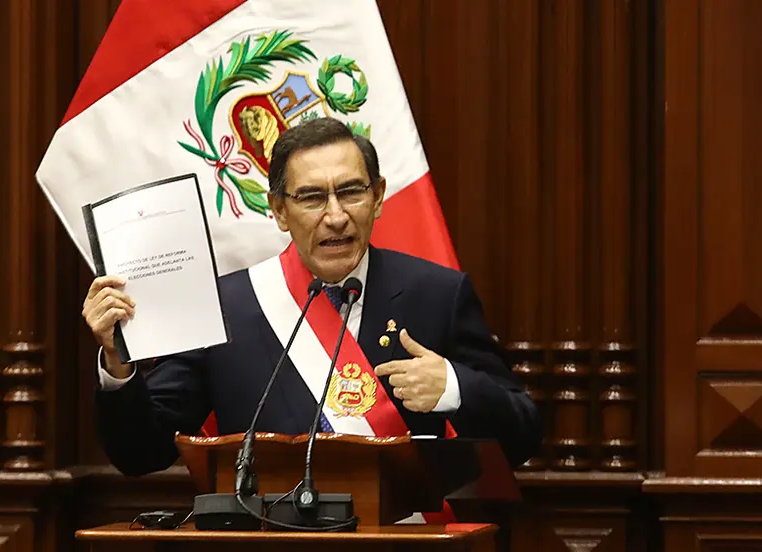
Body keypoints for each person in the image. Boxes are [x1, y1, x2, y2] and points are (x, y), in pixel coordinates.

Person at [83, 117, 542, 477]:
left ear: (378, 197)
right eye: (311, 198)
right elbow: (141, 452)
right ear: (279, 210)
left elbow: (523, 436)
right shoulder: (228, 307)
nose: (336, 216)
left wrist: (455, 388)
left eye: (351, 192)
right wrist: (118, 366)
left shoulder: (438, 294)